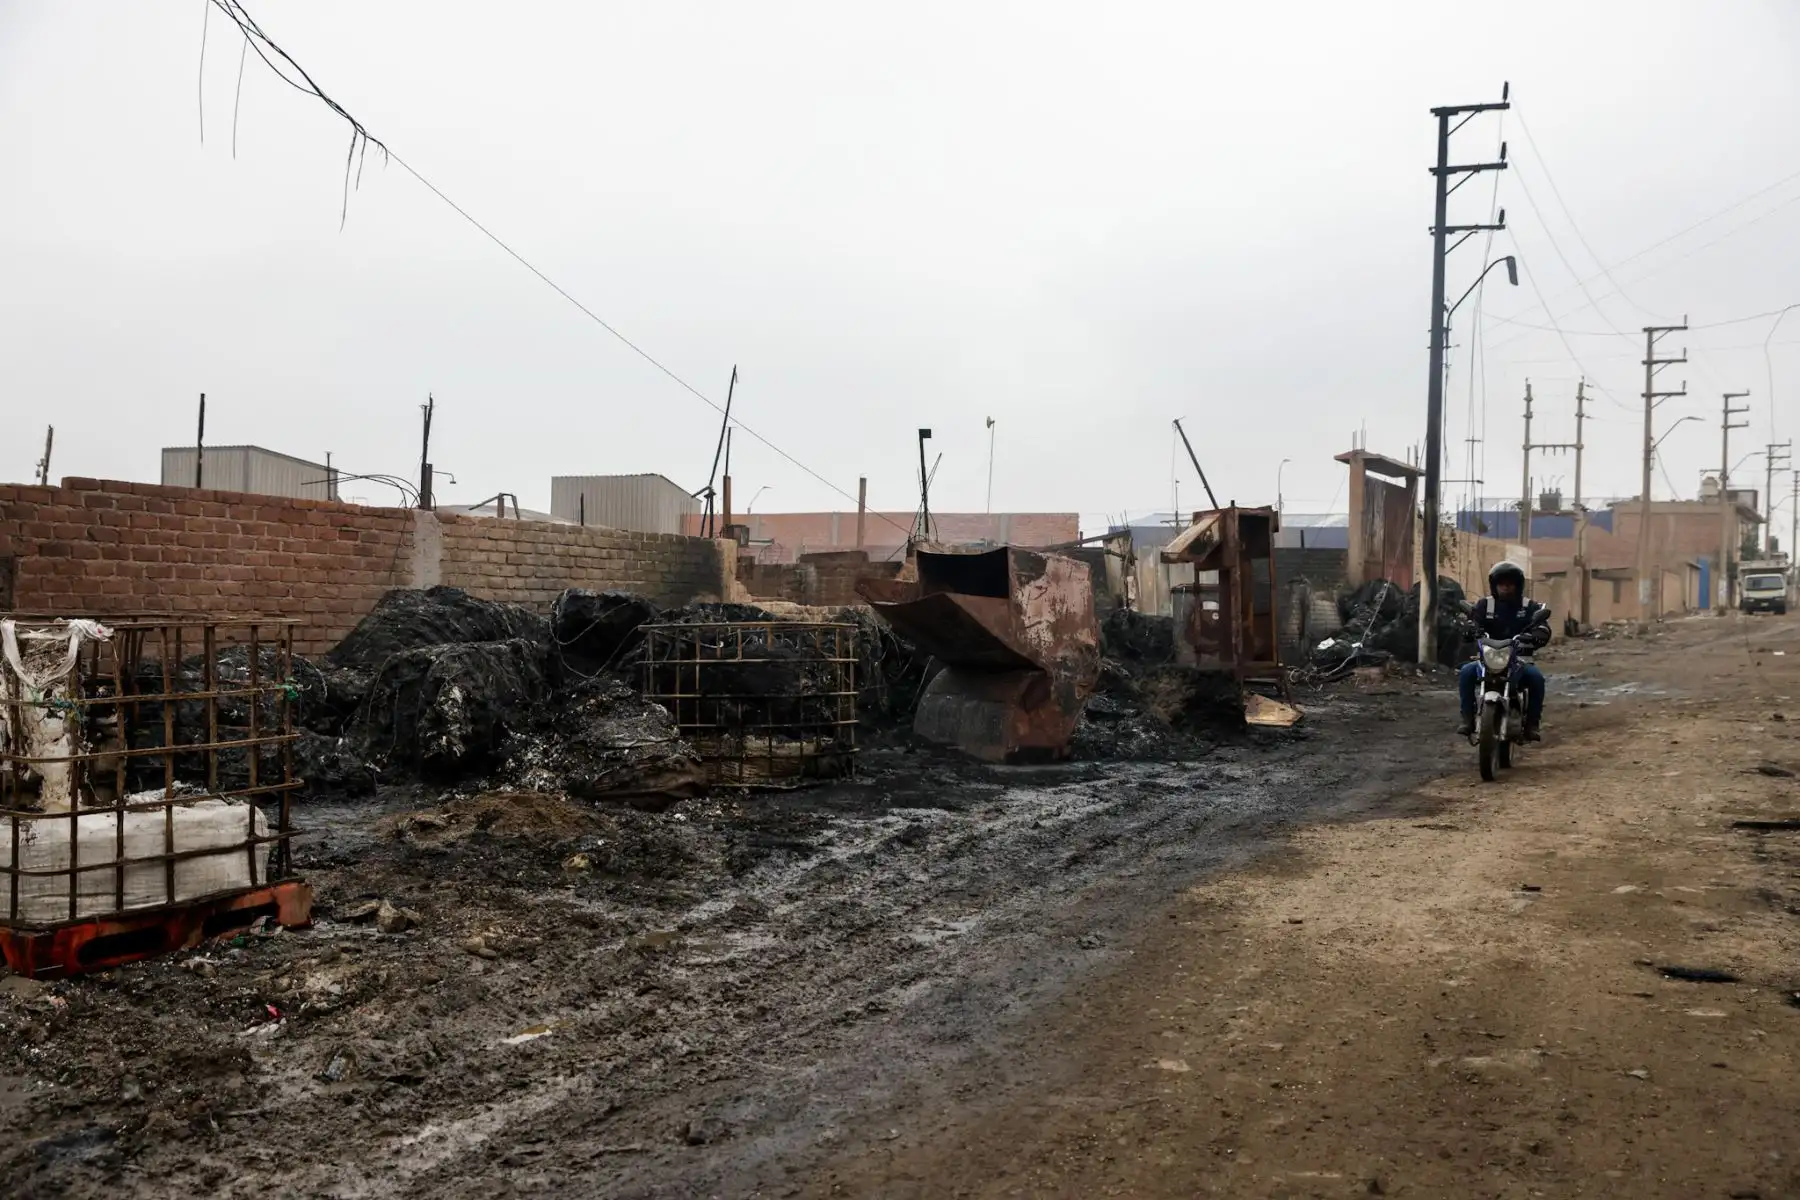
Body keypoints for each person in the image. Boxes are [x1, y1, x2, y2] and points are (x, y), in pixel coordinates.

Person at [1456, 561, 1550, 739]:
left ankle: (1532, 724)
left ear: (1518, 585)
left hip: (1519, 660)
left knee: (1536, 678)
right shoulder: (1485, 605)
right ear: (1495, 585)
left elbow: (1542, 626)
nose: (1506, 587)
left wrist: (1537, 635)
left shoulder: (1528, 606)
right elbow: (1472, 621)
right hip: (1487, 658)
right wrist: (1469, 629)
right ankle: (1467, 719)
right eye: (1501, 584)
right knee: (1466, 672)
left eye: (1510, 584)